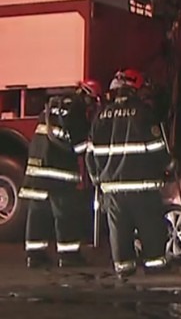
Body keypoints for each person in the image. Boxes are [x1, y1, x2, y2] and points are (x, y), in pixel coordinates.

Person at [85, 69, 170, 279]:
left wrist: (97, 178)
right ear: (135, 90)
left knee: (119, 233)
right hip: (143, 188)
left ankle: (124, 274)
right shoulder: (144, 113)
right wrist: (168, 165)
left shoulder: (100, 116)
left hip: (113, 190)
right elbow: (157, 148)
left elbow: (90, 154)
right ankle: (155, 270)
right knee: (151, 230)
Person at [20, 79, 101, 268]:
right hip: (58, 171)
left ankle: (34, 254)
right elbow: (81, 146)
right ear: (88, 97)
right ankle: (68, 255)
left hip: (36, 166)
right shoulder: (77, 110)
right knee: (65, 213)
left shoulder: (52, 105)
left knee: (37, 211)